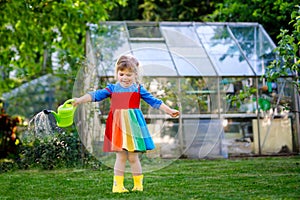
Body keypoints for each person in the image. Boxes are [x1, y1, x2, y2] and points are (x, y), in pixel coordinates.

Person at [73, 54, 179, 193]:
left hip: (134, 127)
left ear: (135, 75)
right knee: (121, 156)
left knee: (133, 157)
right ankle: (117, 186)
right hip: (118, 127)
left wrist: (169, 110)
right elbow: (95, 95)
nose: (125, 77)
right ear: (117, 73)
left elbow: (154, 101)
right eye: (121, 73)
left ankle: (138, 185)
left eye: (129, 74)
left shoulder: (139, 89)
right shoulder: (112, 88)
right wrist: (80, 100)